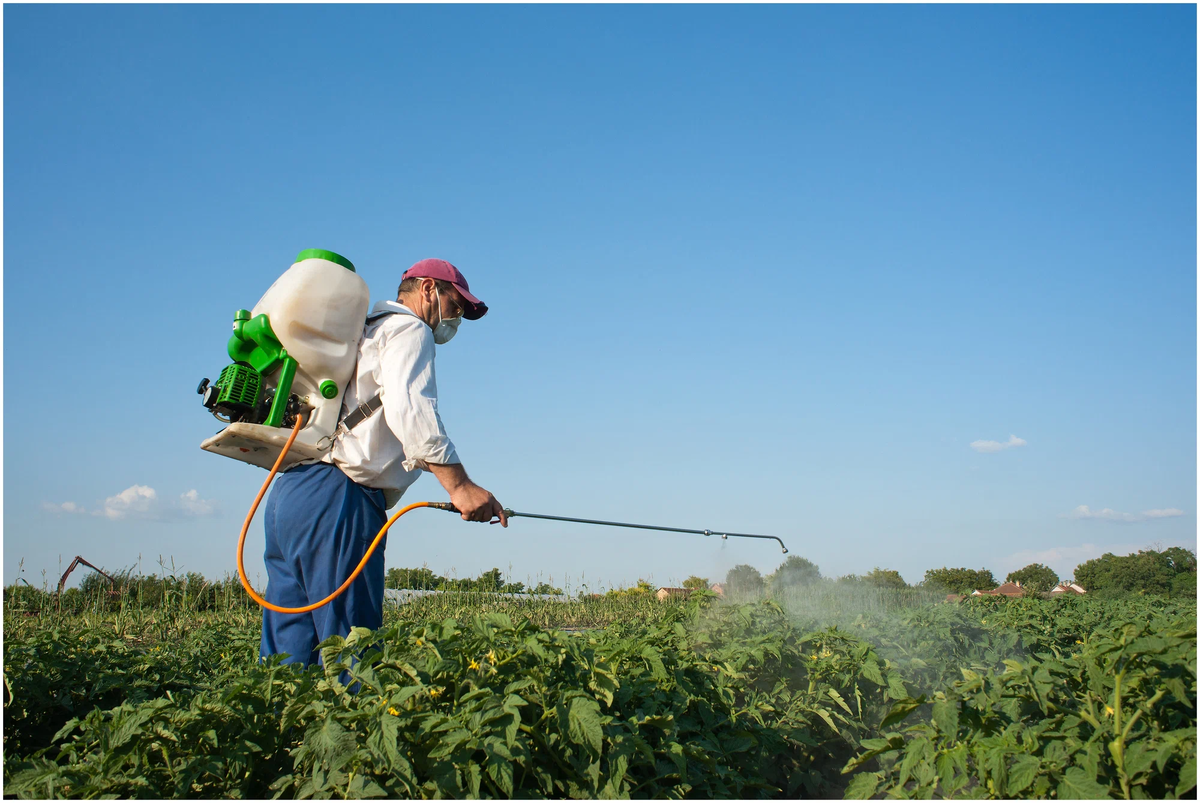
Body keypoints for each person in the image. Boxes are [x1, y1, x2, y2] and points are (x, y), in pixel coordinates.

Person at [259, 258, 507, 665]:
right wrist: (461, 487)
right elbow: (412, 411)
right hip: (340, 499)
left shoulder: (364, 331)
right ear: (427, 289)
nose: (457, 317)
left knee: (286, 658)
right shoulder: (409, 329)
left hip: (291, 493)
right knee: (352, 653)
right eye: (456, 304)